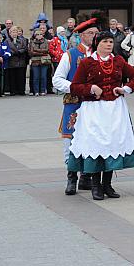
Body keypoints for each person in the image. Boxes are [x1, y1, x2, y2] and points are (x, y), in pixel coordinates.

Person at [67, 29, 134, 200]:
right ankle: (96, 185)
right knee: (97, 144)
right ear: (97, 44)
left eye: (111, 42)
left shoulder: (118, 61)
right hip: (94, 110)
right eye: (105, 42)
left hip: (115, 109)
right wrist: (90, 89)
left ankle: (107, 184)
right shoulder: (87, 62)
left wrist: (124, 89)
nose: (109, 45)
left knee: (113, 143)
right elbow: (74, 86)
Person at [53, 17, 100, 195]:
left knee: (93, 139)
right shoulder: (71, 54)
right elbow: (57, 80)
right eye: (90, 33)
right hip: (75, 104)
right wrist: (74, 87)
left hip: (96, 106)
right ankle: (71, 177)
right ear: (81, 35)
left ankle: (86, 178)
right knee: (71, 140)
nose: (94, 36)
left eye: (96, 33)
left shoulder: (100, 55)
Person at [4, 26, 28, 96]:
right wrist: (14, 52)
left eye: (16, 32)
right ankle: (13, 91)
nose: (14, 33)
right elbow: (7, 49)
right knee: (12, 77)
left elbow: (24, 48)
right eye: (13, 32)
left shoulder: (22, 40)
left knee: (21, 77)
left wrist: (19, 52)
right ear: (10, 33)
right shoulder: (7, 40)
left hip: (21, 60)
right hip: (12, 61)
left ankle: (21, 90)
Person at [28, 28, 51, 97]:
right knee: (36, 77)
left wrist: (36, 51)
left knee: (43, 77)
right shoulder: (32, 42)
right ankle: (36, 91)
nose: (39, 35)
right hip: (35, 61)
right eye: (37, 34)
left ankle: (43, 90)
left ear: (43, 35)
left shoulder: (46, 41)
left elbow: (47, 50)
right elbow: (31, 52)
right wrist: (42, 52)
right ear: (35, 35)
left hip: (44, 61)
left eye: (40, 34)